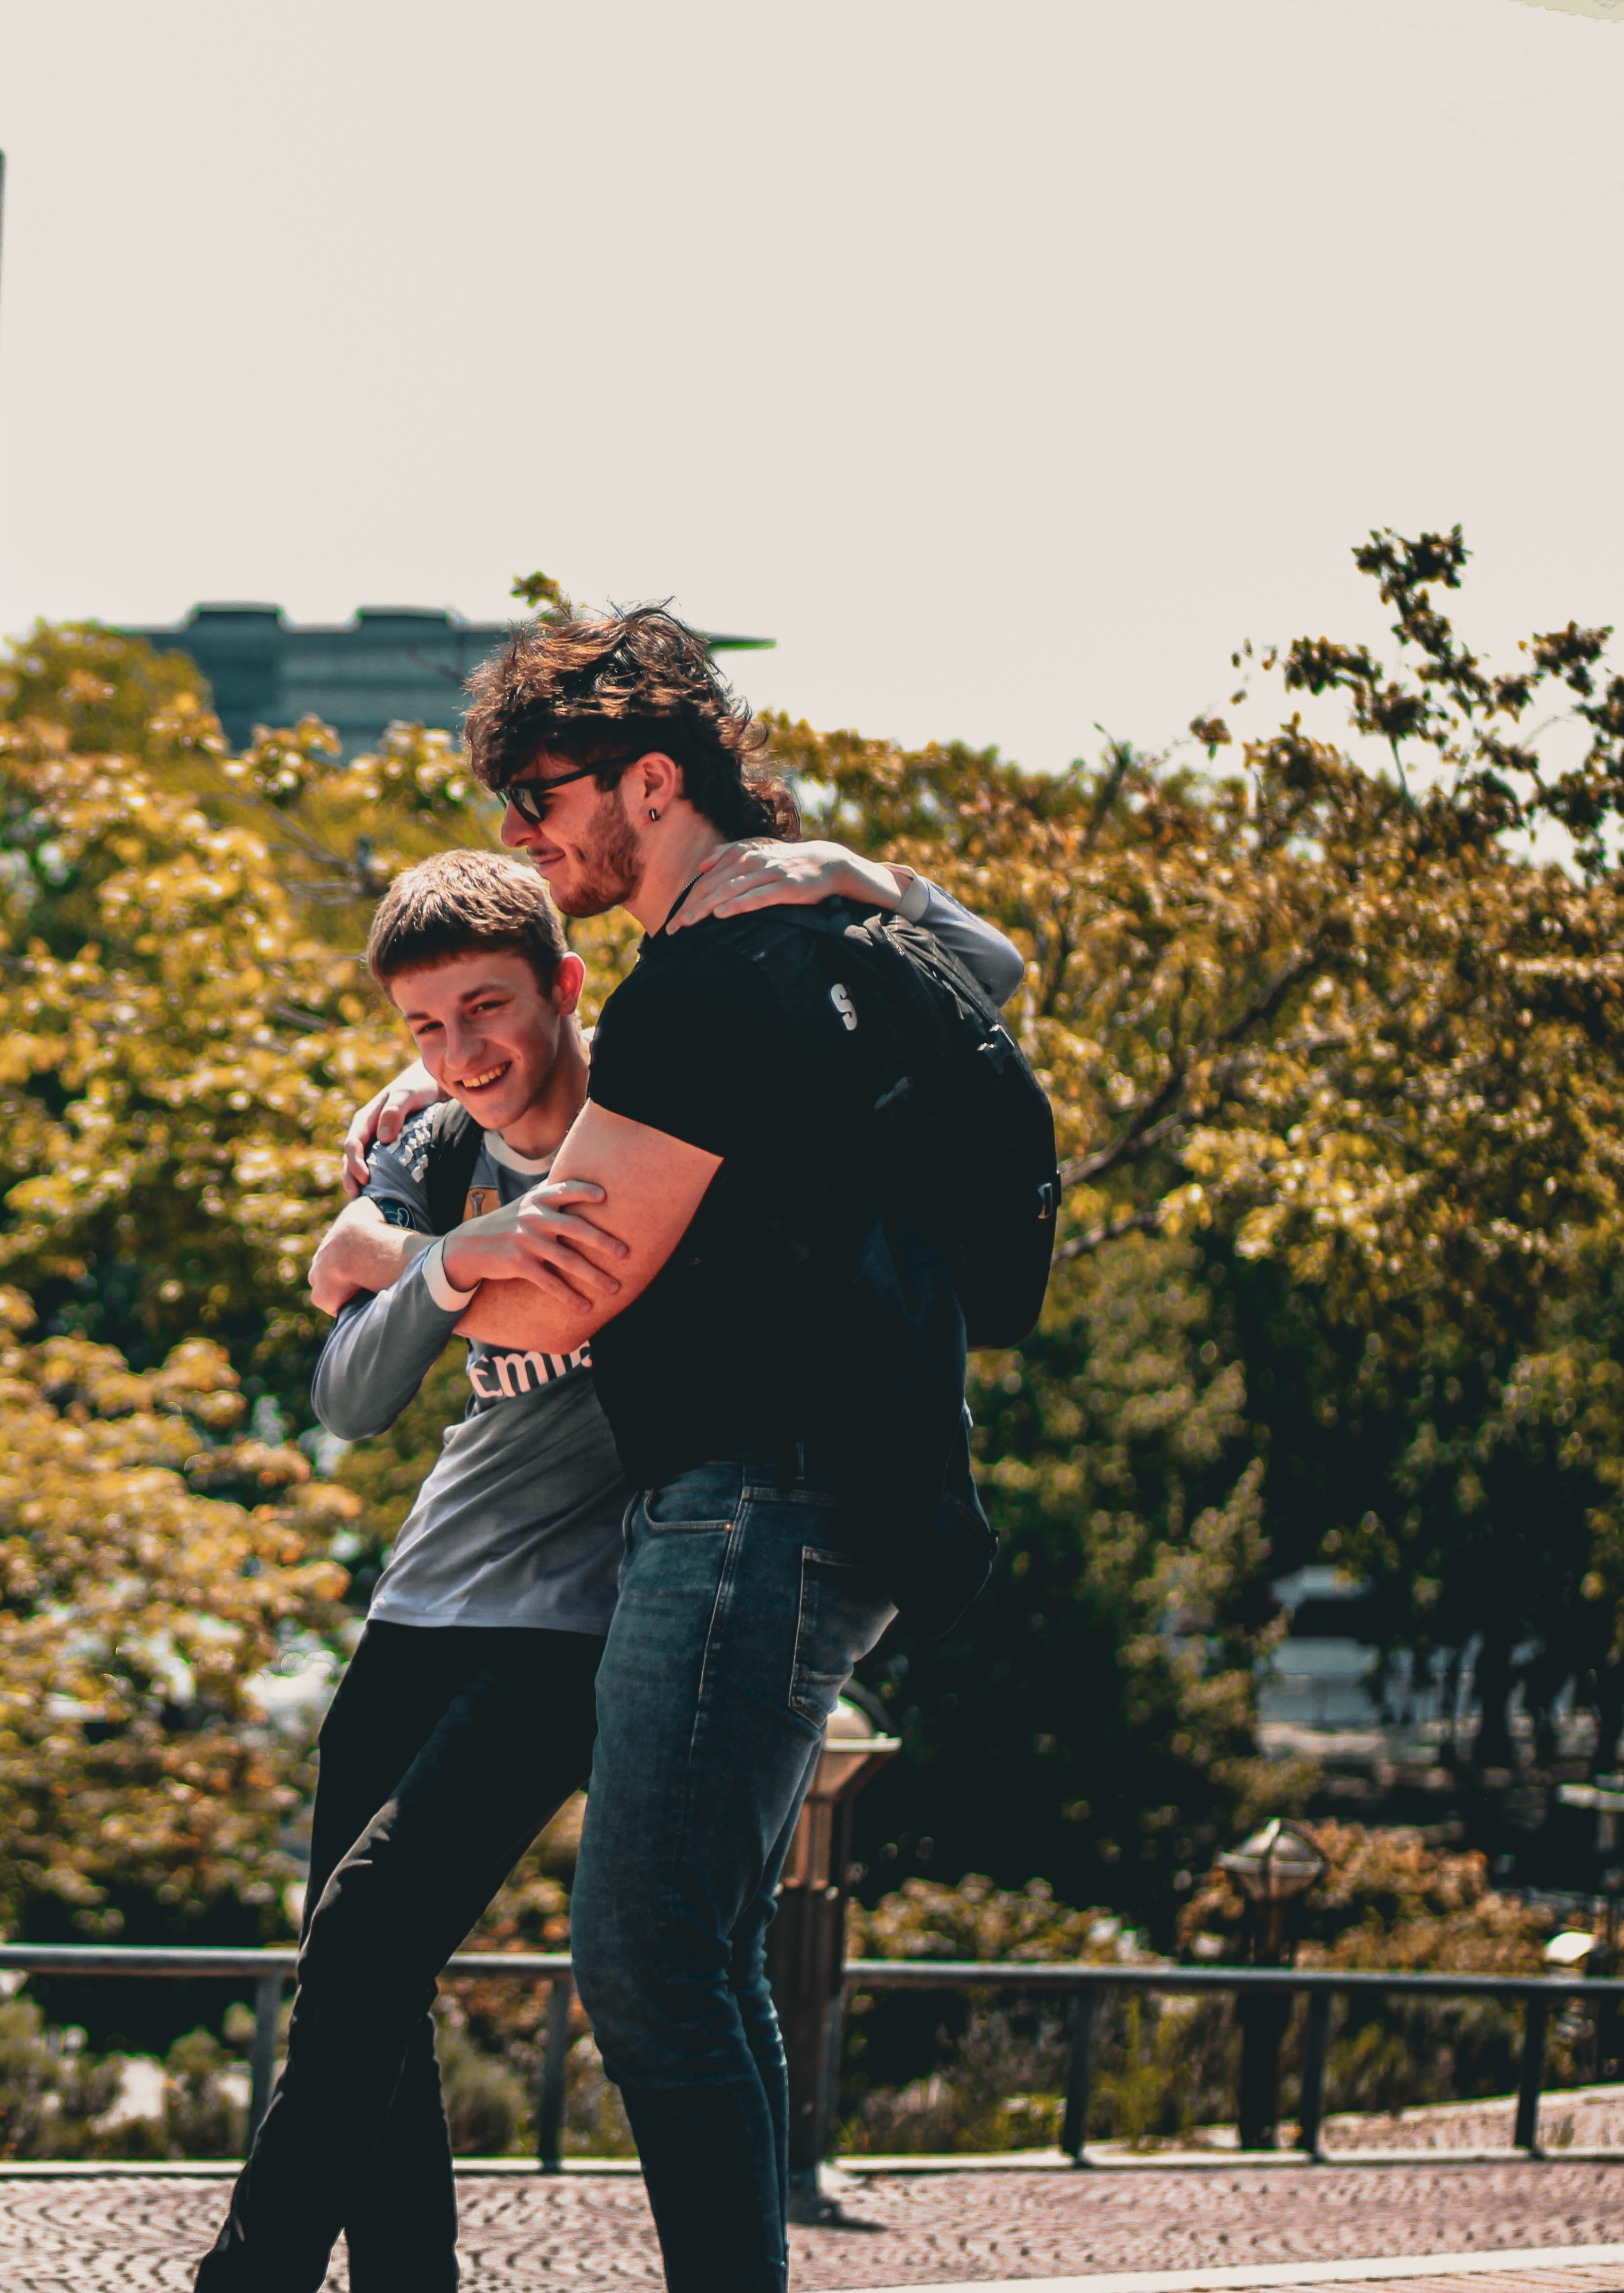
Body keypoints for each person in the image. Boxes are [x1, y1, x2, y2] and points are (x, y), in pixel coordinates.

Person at [200, 836, 1023, 2293]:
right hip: (425, 1595)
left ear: (568, 984)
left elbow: (980, 981)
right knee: (358, 1969)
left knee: (383, 1926)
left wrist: (860, 872)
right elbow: (348, 1392)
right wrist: (457, 1257)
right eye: (425, 1027)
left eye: (489, 1009)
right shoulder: (440, 1146)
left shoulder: (676, 1113)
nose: (462, 1049)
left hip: (584, 1616)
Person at [422, 605, 1003, 2292]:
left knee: (650, 1959)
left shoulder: (701, 990)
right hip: (841, 1495)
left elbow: (548, 1309)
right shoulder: (832, 941)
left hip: (753, 1501)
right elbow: (1002, 966)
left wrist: (418, 1264)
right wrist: (850, 867)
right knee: (706, 1951)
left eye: (541, 799)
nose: (524, 842)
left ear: (649, 778)